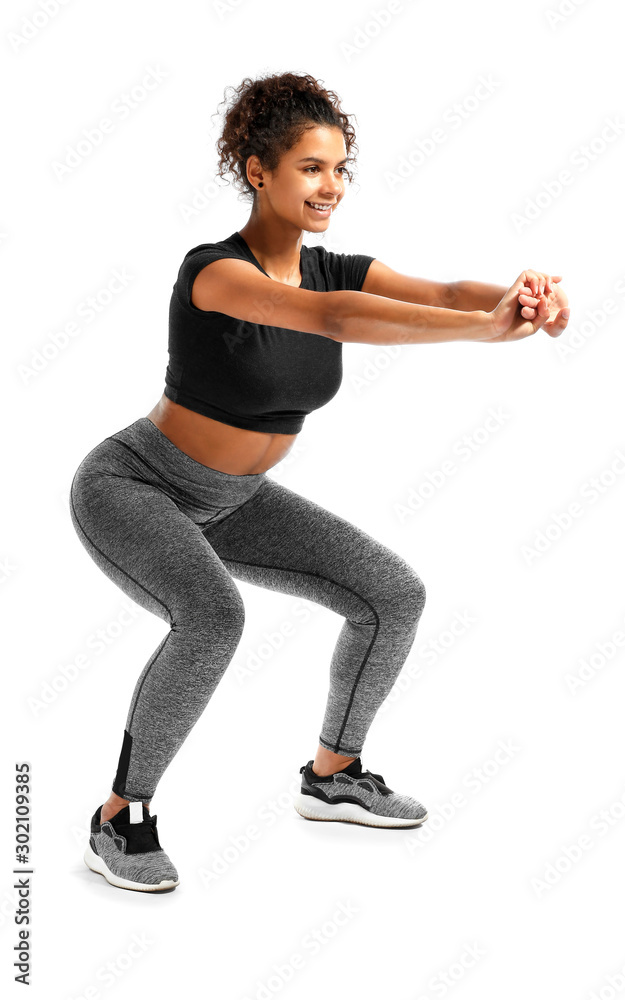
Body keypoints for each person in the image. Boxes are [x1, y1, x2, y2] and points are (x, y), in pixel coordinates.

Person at [69, 71, 570, 893]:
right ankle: (121, 818)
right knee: (211, 616)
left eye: (339, 168)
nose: (330, 185)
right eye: (309, 167)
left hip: (233, 502)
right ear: (257, 170)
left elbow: (444, 291)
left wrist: (523, 299)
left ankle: (333, 773)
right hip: (137, 487)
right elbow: (332, 321)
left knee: (390, 594)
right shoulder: (216, 274)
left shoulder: (334, 266)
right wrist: (483, 333)